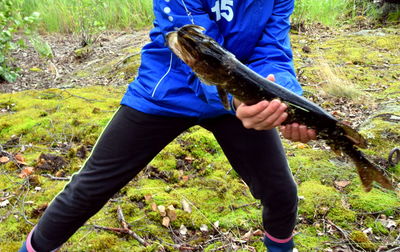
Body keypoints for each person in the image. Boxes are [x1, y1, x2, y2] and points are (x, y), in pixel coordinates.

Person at [19, 0, 316, 251]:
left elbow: (273, 52)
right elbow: (193, 48)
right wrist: (243, 100)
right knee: (90, 187)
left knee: (281, 193)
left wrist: (285, 105)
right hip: (167, 92)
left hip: (238, 98)